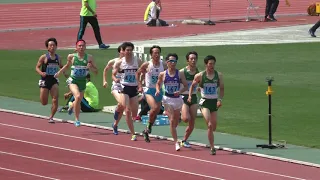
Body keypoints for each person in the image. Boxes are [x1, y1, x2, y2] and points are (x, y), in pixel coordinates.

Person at [54, 39, 98, 127]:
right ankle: (77, 119)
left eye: (83, 46)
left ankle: (71, 107)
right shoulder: (71, 56)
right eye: (79, 46)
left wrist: (91, 68)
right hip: (73, 80)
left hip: (82, 82)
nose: (81, 47)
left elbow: (96, 71)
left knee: (78, 100)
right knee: (77, 96)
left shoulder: (89, 57)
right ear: (76, 47)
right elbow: (67, 66)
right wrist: (59, 72)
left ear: (85, 47)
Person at [188, 55, 224, 155]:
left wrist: (220, 99)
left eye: (213, 64)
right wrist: (190, 96)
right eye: (210, 64)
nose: (212, 66)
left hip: (214, 102)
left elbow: (222, 89)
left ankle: (211, 138)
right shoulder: (200, 75)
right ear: (206, 64)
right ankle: (212, 147)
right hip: (205, 102)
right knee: (209, 125)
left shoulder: (219, 75)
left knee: (214, 126)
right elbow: (192, 86)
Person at [155, 53, 188, 151]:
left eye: (175, 61)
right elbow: (158, 84)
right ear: (167, 62)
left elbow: (186, 86)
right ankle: (176, 142)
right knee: (173, 120)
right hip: (167, 99)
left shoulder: (180, 73)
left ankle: (173, 129)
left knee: (176, 121)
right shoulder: (163, 74)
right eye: (171, 61)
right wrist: (157, 90)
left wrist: (180, 91)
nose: (173, 63)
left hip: (177, 99)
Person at [136, 45, 167, 142]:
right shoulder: (147, 64)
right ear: (151, 54)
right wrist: (140, 85)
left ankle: (147, 128)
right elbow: (137, 73)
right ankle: (148, 126)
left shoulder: (164, 65)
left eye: (158, 53)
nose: (157, 55)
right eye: (155, 53)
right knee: (154, 108)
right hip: (149, 90)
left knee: (156, 111)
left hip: (158, 90)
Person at [112, 42, 143, 141]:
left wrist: (140, 83)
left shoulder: (137, 60)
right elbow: (113, 74)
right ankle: (133, 134)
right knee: (128, 111)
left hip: (134, 88)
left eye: (130, 50)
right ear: (124, 51)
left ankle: (116, 116)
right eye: (127, 50)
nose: (129, 52)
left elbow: (144, 70)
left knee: (134, 114)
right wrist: (115, 79)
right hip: (124, 87)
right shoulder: (120, 62)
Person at [35, 37, 67, 123]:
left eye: (54, 45)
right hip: (45, 80)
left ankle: (51, 117)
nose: (52, 47)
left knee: (55, 98)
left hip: (54, 80)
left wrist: (65, 74)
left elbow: (61, 67)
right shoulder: (44, 57)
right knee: (44, 102)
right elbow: (37, 67)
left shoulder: (58, 57)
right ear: (47, 47)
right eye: (50, 45)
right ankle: (49, 107)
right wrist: (41, 73)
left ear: (56, 46)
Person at [103, 44, 125, 135]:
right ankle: (117, 110)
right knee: (121, 103)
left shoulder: (130, 62)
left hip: (125, 86)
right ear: (119, 51)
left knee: (122, 106)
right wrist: (104, 81)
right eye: (123, 50)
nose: (125, 52)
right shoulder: (114, 61)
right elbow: (105, 70)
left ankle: (115, 125)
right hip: (116, 86)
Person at [180, 51, 199, 148]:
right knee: (185, 118)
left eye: (195, 58)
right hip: (184, 96)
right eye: (191, 59)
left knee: (192, 122)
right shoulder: (182, 72)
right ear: (188, 60)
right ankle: (180, 114)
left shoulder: (198, 72)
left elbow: (200, 84)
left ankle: (184, 140)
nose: (193, 60)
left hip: (194, 97)